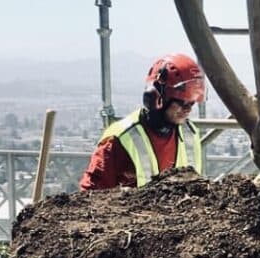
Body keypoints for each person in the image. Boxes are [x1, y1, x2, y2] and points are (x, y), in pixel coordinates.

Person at [80, 53, 206, 190]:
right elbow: (89, 197)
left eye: (192, 103)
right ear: (157, 97)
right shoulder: (119, 140)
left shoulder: (190, 134)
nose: (188, 110)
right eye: (182, 102)